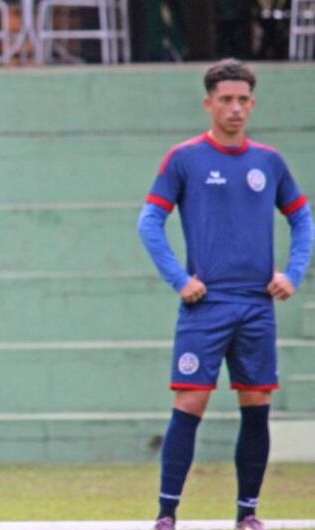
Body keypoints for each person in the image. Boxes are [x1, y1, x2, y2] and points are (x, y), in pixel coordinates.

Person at [138, 58, 313, 530]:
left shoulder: (269, 162)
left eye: (242, 100)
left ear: (252, 104)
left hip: (256, 306)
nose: (235, 108)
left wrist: (293, 273)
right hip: (205, 305)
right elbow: (149, 221)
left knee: (256, 404)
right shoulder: (185, 159)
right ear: (209, 104)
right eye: (225, 100)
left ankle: (247, 514)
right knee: (190, 403)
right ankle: (167, 513)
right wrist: (180, 278)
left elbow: (303, 218)